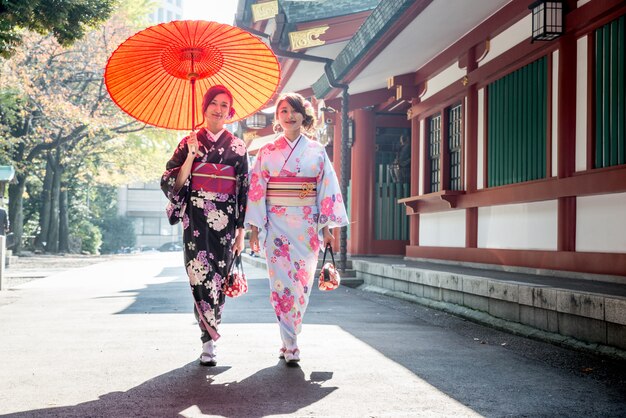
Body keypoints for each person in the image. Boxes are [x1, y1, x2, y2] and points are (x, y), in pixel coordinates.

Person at [245, 92, 348, 365]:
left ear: (304, 115)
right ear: (277, 118)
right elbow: (256, 190)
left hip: (306, 225)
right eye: (283, 111)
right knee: (280, 283)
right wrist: (254, 228)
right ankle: (290, 343)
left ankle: (290, 334)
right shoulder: (267, 152)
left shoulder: (316, 151)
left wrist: (326, 227)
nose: (289, 116)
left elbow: (326, 189)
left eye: (294, 111)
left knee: (301, 284)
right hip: (276, 226)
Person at [160, 85, 249, 367]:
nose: (219, 109)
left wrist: (241, 230)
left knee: (218, 280)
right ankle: (207, 340)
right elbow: (171, 181)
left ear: (230, 111)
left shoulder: (238, 147)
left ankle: (210, 336)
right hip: (196, 218)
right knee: (199, 276)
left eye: (225, 104)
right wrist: (190, 155)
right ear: (205, 106)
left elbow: (244, 189)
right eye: (214, 103)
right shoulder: (189, 141)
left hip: (224, 219)